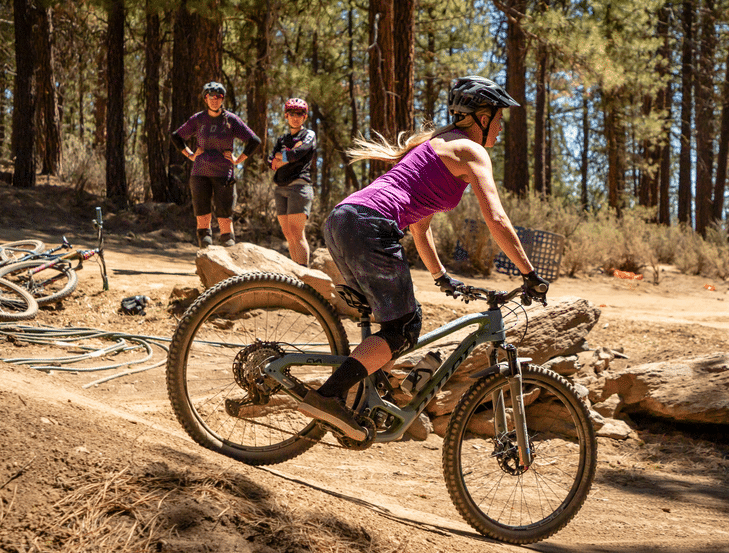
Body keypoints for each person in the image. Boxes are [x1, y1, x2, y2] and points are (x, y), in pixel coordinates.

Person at [300, 75, 549, 440]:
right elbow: (496, 218)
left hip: (343, 220)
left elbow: (420, 228)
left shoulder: (437, 147)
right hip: (370, 226)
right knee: (404, 329)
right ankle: (328, 397)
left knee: (398, 323)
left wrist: (440, 276)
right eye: (498, 119)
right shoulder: (470, 150)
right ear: (482, 118)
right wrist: (530, 273)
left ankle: (358, 407)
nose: (500, 127)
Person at [172, 82, 261, 247]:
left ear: (222, 99)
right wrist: (190, 155)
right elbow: (176, 137)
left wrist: (238, 160)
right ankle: (206, 256)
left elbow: (254, 141)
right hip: (200, 175)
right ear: (205, 99)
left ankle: (229, 258)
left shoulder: (231, 120)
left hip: (224, 175)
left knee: (225, 219)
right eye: (211, 96)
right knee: (203, 219)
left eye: (218, 97)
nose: (214, 100)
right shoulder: (198, 119)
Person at [267, 98, 316, 266]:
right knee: (288, 235)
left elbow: (299, 153)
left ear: (305, 117)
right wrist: (286, 157)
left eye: (300, 114)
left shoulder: (308, 135)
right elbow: (270, 161)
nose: (296, 117)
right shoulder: (282, 139)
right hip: (280, 188)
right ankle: (296, 273)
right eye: (292, 114)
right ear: (286, 116)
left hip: (299, 186)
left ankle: (304, 273)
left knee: (297, 233)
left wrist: (282, 157)